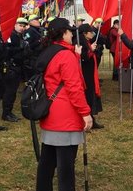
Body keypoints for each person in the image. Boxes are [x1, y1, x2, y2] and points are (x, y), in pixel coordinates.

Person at [35, 17, 92, 191]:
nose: (72, 35)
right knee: (66, 166)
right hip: (65, 116)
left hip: (51, 111)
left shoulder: (49, 51)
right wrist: (85, 112)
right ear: (64, 33)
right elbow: (74, 87)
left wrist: (75, 56)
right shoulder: (65, 55)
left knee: (47, 162)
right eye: (69, 32)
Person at [76, 24, 102, 128]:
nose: (92, 34)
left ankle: (91, 118)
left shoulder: (86, 41)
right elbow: (82, 58)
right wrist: (90, 50)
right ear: (85, 33)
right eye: (90, 32)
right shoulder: (79, 42)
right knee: (87, 96)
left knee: (90, 96)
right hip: (85, 75)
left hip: (90, 74)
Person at [2, 17, 27, 123]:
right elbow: (7, 51)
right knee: (9, 91)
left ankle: (9, 111)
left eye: (24, 26)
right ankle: (6, 113)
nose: (22, 28)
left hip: (18, 66)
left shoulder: (19, 35)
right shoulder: (11, 35)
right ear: (15, 25)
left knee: (13, 92)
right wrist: (20, 48)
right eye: (20, 25)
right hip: (11, 66)